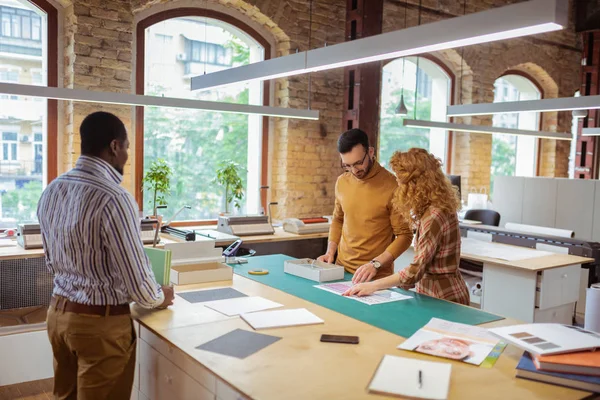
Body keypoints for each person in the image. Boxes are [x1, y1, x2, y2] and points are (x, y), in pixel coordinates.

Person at [37, 111, 175, 400]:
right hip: (100, 326)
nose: (126, 156)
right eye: (126, 148)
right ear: (114, 146)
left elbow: (51, 261)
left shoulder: (52, 189)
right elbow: (138, 282)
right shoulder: (115, 197)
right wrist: (160, 296)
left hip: (58, 317)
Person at [343, 148, 470, 305]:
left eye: (401, 182)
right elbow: (422, 268)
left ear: (415, 183)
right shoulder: (436, 207)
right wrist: (395, 288)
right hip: (435, 292)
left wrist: (373, 285)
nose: (399, 187)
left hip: (443, 297)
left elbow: (415, 270)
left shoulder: (434, 216)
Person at [317, 129, 413, 283]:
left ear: (370, 151)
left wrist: (375, 264)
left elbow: (405, 235)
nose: (354, 171)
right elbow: (338, 220)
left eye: (358, 163)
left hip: (376, 277)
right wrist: (330, 252)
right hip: (340, 270)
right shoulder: (342, 182)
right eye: (347, 165)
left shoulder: (393, 186)